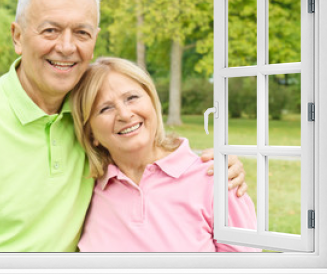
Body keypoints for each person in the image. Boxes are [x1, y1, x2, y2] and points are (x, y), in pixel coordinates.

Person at [0, 0, 247, 252]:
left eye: (81, 32)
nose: (66, 47)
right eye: (50, 30)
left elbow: (148, 160)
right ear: (17, 36)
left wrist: (220, 167)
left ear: (94, 38)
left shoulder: (91, 117)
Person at [71, 57, 259, 252]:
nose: (125, 114)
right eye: (105, 108)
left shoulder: (216, 177)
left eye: (132, 98)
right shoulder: (86, 187)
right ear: (91, 133)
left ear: (152, 102)